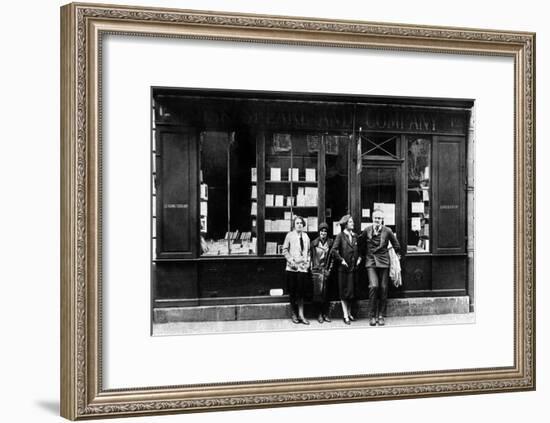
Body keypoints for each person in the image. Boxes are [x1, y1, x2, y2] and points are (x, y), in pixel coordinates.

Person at [359, 208, 401, 326]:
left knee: (383, 287)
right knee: (373, 286)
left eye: (380, 218)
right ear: (372, 219)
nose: (377, 220)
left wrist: (397, 255)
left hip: (383, 261)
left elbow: (396, 244)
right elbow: (361, 244)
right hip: (371, 261)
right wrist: (361, 257)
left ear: (382, 220)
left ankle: (381, 315)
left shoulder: (387, 231)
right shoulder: (367, 230)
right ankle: (372, 316)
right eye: (376, 218)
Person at [331, 214, 361, 325]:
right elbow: (333, 250)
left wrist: (360, 259)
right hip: (344, 269)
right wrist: (341, 260)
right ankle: (345, 315)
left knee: (351, 293)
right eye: (350, 222)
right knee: (344, 293)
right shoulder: (340, 236)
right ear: (345, 224)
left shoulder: (355, 236)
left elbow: (360, 250)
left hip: (353, 269)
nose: (353, 223)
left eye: (352, 221)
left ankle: (349, 313)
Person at [282, 216, 311, 325]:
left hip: (302, 269)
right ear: (294, 225)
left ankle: (301, 315)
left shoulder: (306, 236)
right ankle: (294, 314)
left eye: (301, 223)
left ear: (303, 225)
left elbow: (308, 252)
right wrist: (291, 261)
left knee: (301, 293)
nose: (299, 225)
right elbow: (284, 250)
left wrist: (308, 263)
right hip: (292, 268)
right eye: (297, 223)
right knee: (293, 292)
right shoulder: (290, 235)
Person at [310, 222, 333, 324]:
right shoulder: (314, 243)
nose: (323, 233)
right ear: (319, 232)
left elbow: (332, 258)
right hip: (316, 271)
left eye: (325, 231)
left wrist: (329, 270)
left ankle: (325, 313)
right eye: (321, 231)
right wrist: (312, 269)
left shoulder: (331, 243)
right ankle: (319, 314)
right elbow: (311, 257)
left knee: (326, 293)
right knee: (317, 293)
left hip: (326, 270)